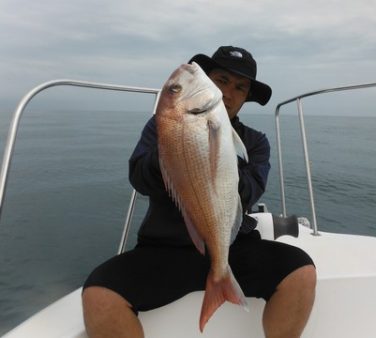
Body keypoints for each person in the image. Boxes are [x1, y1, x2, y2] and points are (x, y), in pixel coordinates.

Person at [82, 46, 316, 338]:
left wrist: (215, 160)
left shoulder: (255, 143)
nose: (229, 93)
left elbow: (251, 191)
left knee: (301, 273)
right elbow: (139, 178)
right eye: (221, 80)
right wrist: (175, 149)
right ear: (207, 81)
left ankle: (221, 277)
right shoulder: (165, 125)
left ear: (246, 98)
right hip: (165, 247)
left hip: (230, 246)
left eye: (240, 88)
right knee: (98, 294)